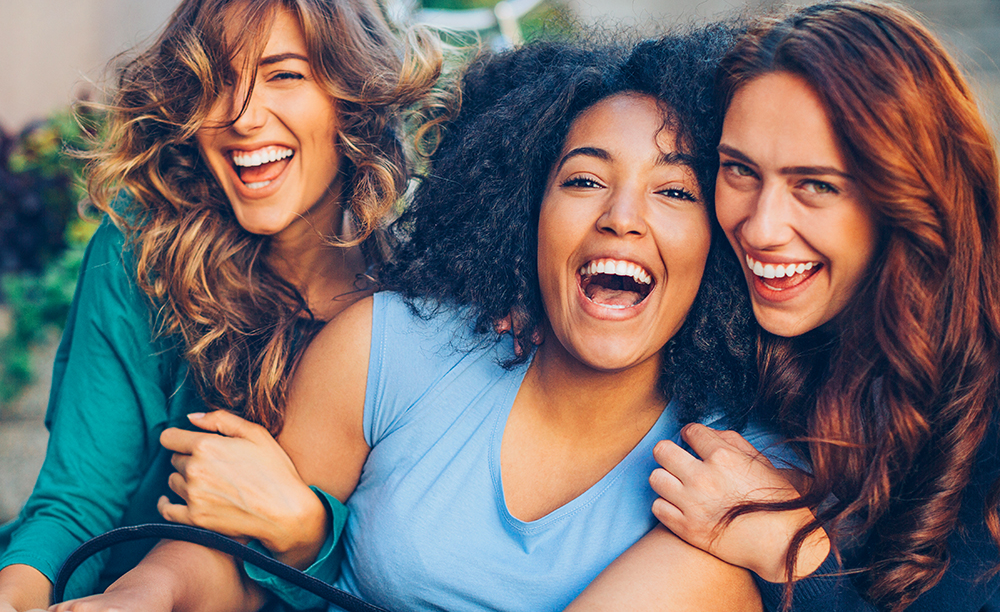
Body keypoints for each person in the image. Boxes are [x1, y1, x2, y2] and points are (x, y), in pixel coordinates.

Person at [52, 30, 795, 612]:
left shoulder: (736, 469)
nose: (622, 218)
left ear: (723, 241)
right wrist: (136, 596)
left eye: (674, 191)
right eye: (584, 179)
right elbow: (229, 555)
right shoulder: (392, 347)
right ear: (524, 213)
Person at [0, 0, 442, 612]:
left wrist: (306, 527)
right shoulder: (143, 252)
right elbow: (74, 503)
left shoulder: (425, 295)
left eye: (284, 76)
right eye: (217, 81)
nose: (241, 116)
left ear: (350, 100)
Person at [579, 0, 1000, 611]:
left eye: (816, 185)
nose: (761, 227)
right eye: (739, 171)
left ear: (909, 194)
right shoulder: (741, 309)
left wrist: (787, 549)